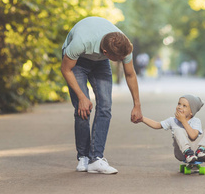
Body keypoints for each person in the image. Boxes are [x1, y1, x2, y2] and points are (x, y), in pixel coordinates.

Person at [61, 17, 143, 174]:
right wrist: (82, 97)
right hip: (77, 62)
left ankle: (96, 159)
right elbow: (66, 69)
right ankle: (83, 157)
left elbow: (130, 74)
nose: (121, 62)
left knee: (105, 106)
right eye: (118, 60)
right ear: (106, 53)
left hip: (100, 63)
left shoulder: (123, 45)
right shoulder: (81, 41)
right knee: (82, 108)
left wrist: (137, 105)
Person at [141, 94, 205, 163]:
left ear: (191, 112)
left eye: (184, 106)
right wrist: (142, 119)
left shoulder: (196, 121)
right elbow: (157, 125)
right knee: (178, 129)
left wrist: (183, 121)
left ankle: (201, 151)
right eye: (179, 104)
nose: (180, 107)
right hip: (181, 152)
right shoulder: (172, 120)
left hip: (195, 148)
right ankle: (188, 153)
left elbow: (193, 136)